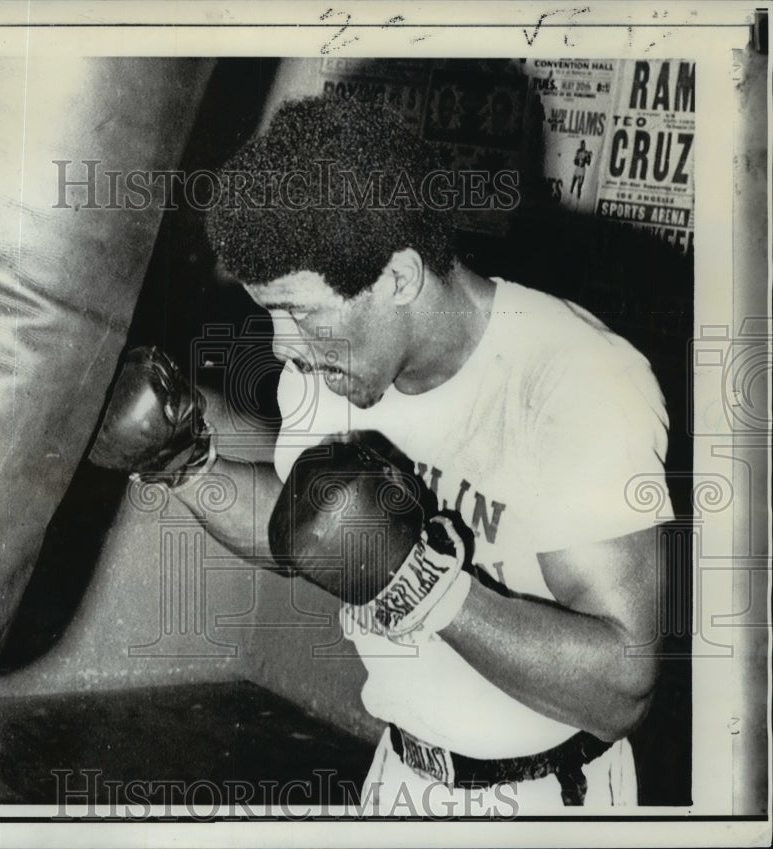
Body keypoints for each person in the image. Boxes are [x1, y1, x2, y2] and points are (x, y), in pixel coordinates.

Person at [90, 97, 671, 813]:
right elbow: (303, 527)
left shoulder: (575, 384)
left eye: (299, 310)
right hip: (399, 776)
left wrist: (424, 585)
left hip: (552, 796)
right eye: (270, 311)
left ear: (398, 276)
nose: (281, 345)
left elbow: (622, 686)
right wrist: (181, 463)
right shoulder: (334, 368)